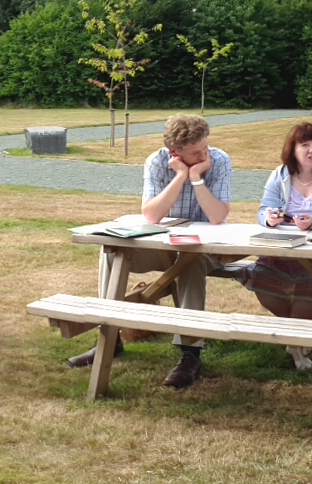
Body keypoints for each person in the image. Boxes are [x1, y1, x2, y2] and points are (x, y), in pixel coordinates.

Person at [66, 114, 238, 388]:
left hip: (205, 250)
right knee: (111, 252)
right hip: (163, 245)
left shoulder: (219, 160)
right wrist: (180, 175)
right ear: (175, 153)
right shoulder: (157, 162)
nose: (205, 153)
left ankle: (190, 353)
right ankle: (110, 340)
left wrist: (196, 177)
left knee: (190, 262)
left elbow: (217, 216)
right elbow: (152, 215)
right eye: (196, 152)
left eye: (205, 146)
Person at [241, 122, 312, 370]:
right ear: (293, 150)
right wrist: (269, 220)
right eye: (305, 145)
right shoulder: (280, 174)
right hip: (282, 247)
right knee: (263, 284)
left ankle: (295, 344)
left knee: (310, 285)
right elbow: (263, 210)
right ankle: (299, 337)